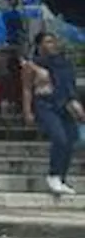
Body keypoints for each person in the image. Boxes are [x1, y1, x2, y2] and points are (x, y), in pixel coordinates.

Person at [22, 32, 80, 196]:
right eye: (48, 41)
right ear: (40, 45)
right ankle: (53, 174)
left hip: (63, 104)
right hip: (45, 104)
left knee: (70, 139)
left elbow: (70, 85)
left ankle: (61, 176)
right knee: (59, 137)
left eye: (54, 41)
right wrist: (28, 111)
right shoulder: (32, 65)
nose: (53, 44)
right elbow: (26, 89)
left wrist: (74, 103)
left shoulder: (63, 64)